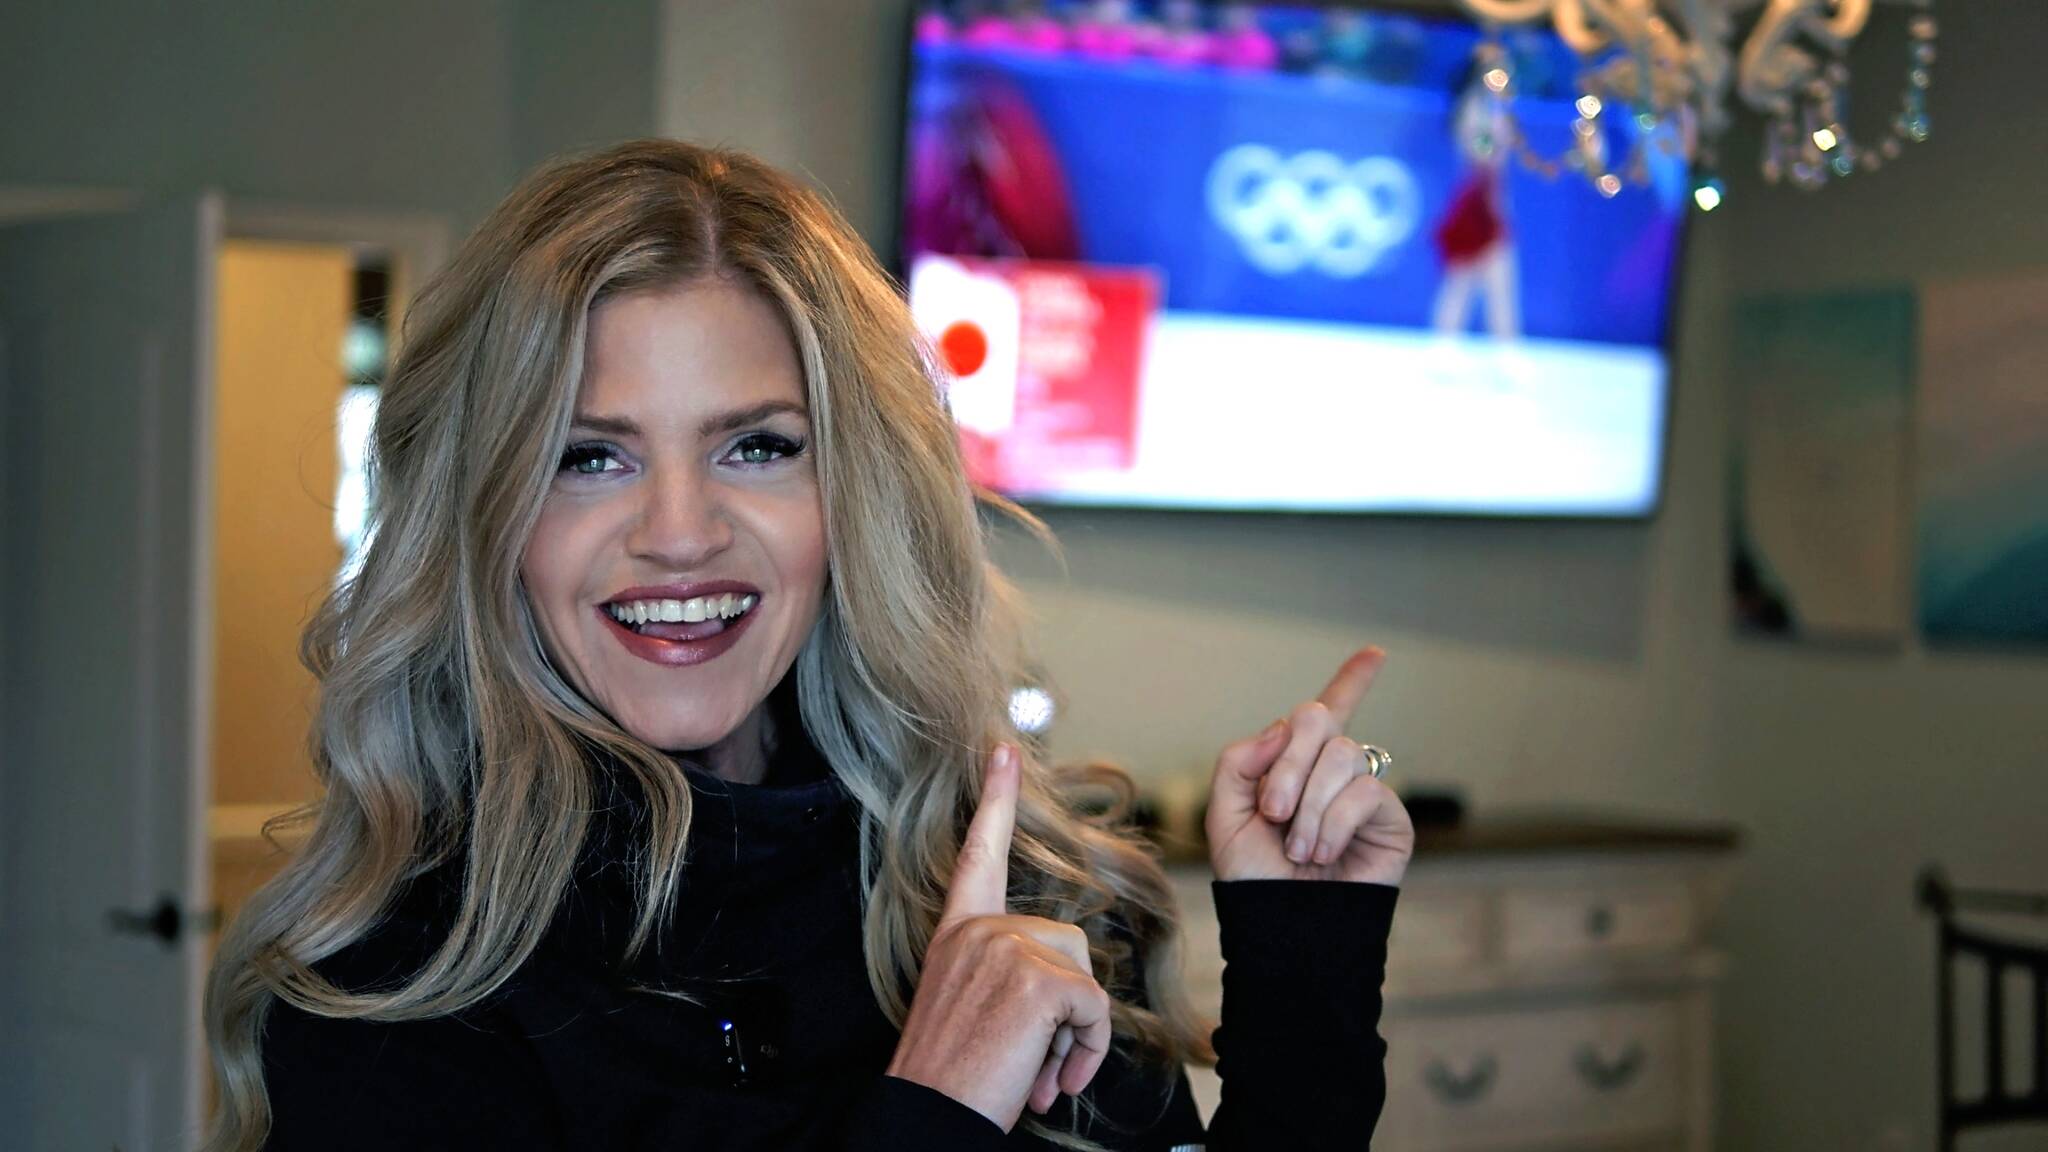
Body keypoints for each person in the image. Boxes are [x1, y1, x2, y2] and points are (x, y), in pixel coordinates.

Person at [202, 139, 1413, 1151]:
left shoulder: (1013, 881)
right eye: (590, 457)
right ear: (486, 512)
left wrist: (1302, 950)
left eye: (757, 446)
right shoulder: (394, 988)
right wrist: (934, 1104)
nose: (679, 535)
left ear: (853, 494)